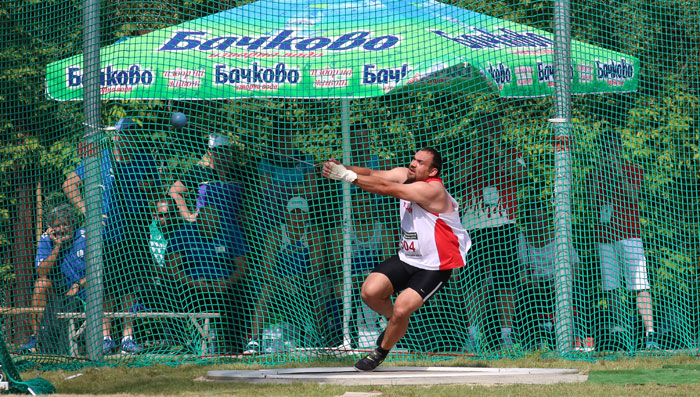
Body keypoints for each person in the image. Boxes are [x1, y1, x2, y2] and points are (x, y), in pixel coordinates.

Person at [322, 147, 470, 371]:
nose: (413, 164)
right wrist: (343, 168)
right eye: (413, 158)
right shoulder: (406, 175)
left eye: (420, 163)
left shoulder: (432, 190)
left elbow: (384, 188)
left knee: (401, 309)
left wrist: (347, 177)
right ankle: (396, 325)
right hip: (408, 257)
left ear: (432, 172)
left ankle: (380, 352)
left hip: (435, 265)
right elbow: (374, 175)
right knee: (369, 292)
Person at [63, 117, 160, 354]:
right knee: (104, 284)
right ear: (114, 136)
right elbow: (69, 185)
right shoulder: (99, 158)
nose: (126, 138)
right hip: (105, 233)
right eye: (123, 133)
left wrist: (146, 189)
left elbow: (157, 189)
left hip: (134, 230)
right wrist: (88, 210)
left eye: (131, 134)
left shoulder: (144, 160)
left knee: (130, 286)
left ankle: (127, 337)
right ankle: (106, 337)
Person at [21, 203, 136, 355]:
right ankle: (37, 337)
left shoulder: (86, 236)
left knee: (110, 283)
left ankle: (111, 339)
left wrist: (78, 285)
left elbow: (100, 269)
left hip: (87, 293)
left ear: (73, 224)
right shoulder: (47, 239)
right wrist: (57, 247)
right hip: (60, 296)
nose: (61, 229)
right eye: (57, 225)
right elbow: (42, 271)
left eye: (64, 225)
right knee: (41, 284)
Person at [456, 114, 527, 350]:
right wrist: (477, 152)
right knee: (473, 282)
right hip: (473, 226)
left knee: (505, 280)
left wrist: (497, 150)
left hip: (503, 223)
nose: (490, 131)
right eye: (485, 128)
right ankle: (473, 335)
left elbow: (521, 175)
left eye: (495, 127)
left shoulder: (510, 150)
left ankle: (506, 335)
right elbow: (457, 179)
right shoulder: (469, 150)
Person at [590, 132, 657, 349]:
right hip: (605, 238)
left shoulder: (633, 169)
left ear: (619, 148)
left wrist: (617, 168)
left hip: (629, 235)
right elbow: (592, 201)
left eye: (613, 148)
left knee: (640, 284)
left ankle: (650, 333)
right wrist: (602, 170)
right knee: (611, 287)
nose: (609, 152)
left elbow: (633, 195)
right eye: (606, 149)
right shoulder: (594, 173)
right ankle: (620, 331)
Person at [244, 196, 329, 354]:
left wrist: (299, 279)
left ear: (307, 215)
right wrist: (283, 283)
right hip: (279, 283)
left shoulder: (314, 233)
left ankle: (316, 337)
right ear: (287, 214)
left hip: (305, 281)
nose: (297, 217)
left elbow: (318, 267)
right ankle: (253, 340)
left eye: (301, 213)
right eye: (294, 213)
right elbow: (266, 269)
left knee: (321, 287)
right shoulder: (277, 234)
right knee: (265, 291)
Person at [516, 201, 591, 351]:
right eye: (533, 221)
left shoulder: (559, 238)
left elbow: (577, 266)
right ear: (528, 222)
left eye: (541, 220)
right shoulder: (521, 239)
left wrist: (560, 282)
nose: (537, 225)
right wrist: (529, 282)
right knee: (521, 294)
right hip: (535, 287)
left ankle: (577, 337)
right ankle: (533, 340)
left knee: (578, 290)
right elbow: (520, 270)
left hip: (559, 284)